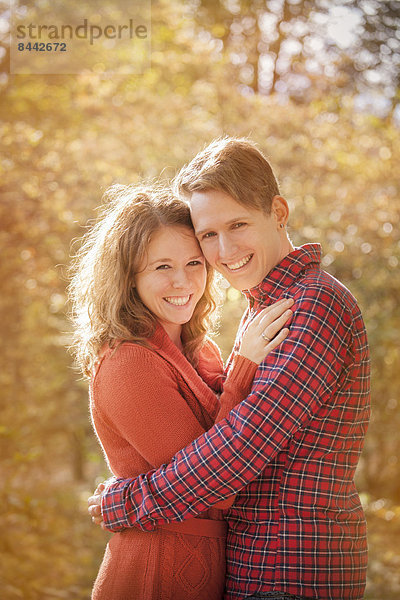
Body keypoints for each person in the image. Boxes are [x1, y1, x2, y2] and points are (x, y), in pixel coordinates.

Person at [89, 138, 371, 600]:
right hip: (255, 568)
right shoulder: (267, 307)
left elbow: (238, 451)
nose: (224, 250)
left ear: (278, 211)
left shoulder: (311, 306)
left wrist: (127, 502)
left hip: (289, 569)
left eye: (238, 224)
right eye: (208, 235)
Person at [70, 183, 292, 600]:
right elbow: (215, 485)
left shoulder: (200, 349)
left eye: (194, 262)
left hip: (210, 566)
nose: (182, 281)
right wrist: (244, 369)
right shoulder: (128, 362)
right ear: (127, 277)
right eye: (161, 267)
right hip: (156, 571)